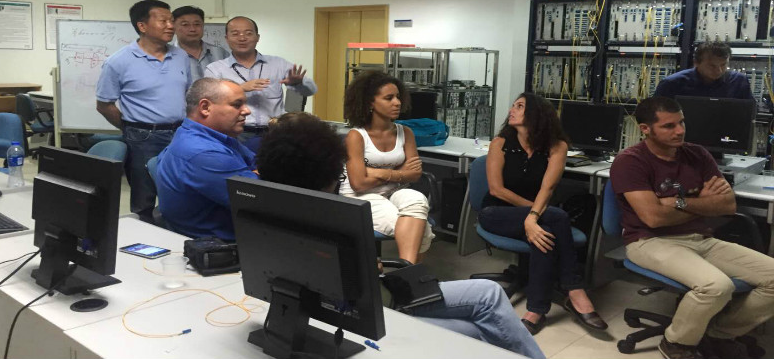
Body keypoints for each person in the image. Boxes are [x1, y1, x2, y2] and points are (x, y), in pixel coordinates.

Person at [256, 112, 546, 359]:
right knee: (487, 303)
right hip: (373, 315)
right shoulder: (331, 216)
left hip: (346, 311)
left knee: (481, 325)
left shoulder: (273, 209)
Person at [610, 96, 774, 359]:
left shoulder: (697, 154)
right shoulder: (630, 161)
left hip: (701, 238)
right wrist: (704, 202)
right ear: (645, 129)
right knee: (716, 286)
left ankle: (719, 333)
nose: (680, 131)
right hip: (648, 241)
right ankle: (676, 343)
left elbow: (728, 205)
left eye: (682, 122)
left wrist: (679, 202)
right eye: (669, 126)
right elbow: (654, 219)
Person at [479, 93, 605, 335]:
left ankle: (536, 310)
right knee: (557, 217)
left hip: (539, 214)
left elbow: (548, 188)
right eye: (513, 105)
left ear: (536, 114)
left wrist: (533, 218)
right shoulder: (500, 143)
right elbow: (497, 190)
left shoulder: (557, 146)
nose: (512, 110)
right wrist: (533, 214)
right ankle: (574, 289)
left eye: (519, 106)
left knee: (545, 234)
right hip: (496, 212)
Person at [96, 0, 191, 222]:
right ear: (142, 26)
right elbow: (104, 105)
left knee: (181, 190)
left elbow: (186, 94)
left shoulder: (181, 56)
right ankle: (146, 235)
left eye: (172, 21)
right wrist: (130, 128)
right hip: (143, 137)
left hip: (180, 133)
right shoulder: (118, 62)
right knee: (144, 197)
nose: (171, 26)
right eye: (163, 21)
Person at [338, 70, 433, 264]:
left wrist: (375, 172)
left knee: (418, 200)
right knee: (420, 227)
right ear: (370, 103)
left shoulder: (405, 132)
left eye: (398, 97)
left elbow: (415, 174)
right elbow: (358, 183)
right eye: (389, 98)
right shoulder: (356, 136)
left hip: (393, 192)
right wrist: (399, 172)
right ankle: (409, 274)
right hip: (360, 197)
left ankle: (406, 272)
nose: (397, 102)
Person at [155, 78, 257, 241]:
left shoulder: (209, 135)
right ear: (205, 107)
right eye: (237, 105)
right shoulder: (204, 153)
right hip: (225, 246)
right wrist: (253, 173)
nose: (247, 111)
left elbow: (257, 163)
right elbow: (262, 200)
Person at [204, 16, 317, 152]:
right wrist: (240, 88)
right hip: (236, 134)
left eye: (248, 33)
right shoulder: (216, 69)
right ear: (226, 38)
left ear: (257, 37)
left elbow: (311, 90)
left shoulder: (278, 64)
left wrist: (299, 83)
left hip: (274, 132)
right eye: (235, 34)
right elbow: (209, 99)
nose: (242, 38)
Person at [654, 41, 754, 99]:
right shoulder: (672, 84)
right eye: (712, 66)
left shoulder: (739, 81)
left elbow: (749, 113)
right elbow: (655, 116)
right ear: (696, 63)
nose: (719, 70)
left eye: (723, 65)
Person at [172, 5, 229, 80]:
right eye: (185, 25)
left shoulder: (220, 53)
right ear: (173, 28)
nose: (192, 29)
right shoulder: (167, 56)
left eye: (197, 24)